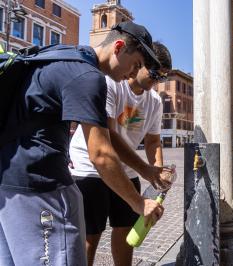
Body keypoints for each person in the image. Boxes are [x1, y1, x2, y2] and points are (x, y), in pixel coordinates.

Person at [0, 21, 170, 265]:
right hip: (43, 188)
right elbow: (101, 153)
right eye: (136, 65)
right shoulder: (88, 77)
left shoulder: (60, 56)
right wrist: (139, 201)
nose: (134, 73)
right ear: (119, 47)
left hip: (8, 183)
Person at [69, 42, 172, 266]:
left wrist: (158, 171)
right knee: (90, 236)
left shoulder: (154, 101)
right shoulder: (111, 83)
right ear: (141, 64)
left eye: (163, 78)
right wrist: (146, 170)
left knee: (126, 230)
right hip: (91, 167)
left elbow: (153, 140)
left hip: (127, 170)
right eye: (155, 74)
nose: (157, 82)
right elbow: (109, 137)